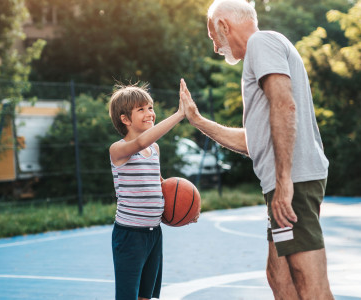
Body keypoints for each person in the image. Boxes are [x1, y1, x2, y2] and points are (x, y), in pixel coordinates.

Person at [179, 0, 334, 299]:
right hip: (287, 182)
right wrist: (197, 120)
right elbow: (254, 142)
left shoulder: (261, 43)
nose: (215, 48)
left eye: (214, 38)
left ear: (224, 26)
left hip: (293, 182)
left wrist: (284, 181)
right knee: (279, 276)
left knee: (310, 284)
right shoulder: (260, 52)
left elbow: (284, 104)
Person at [108, 83, 185, 300]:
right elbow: (142, 141)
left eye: (150, 108)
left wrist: (187, 209)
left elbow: (160, 186)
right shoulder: (118, 150)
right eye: (141, 109)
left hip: (154, 233)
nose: (150, 113)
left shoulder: (155, 150)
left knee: (146, 296)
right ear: (125, 119)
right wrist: (179, 114)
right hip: (129, 235)